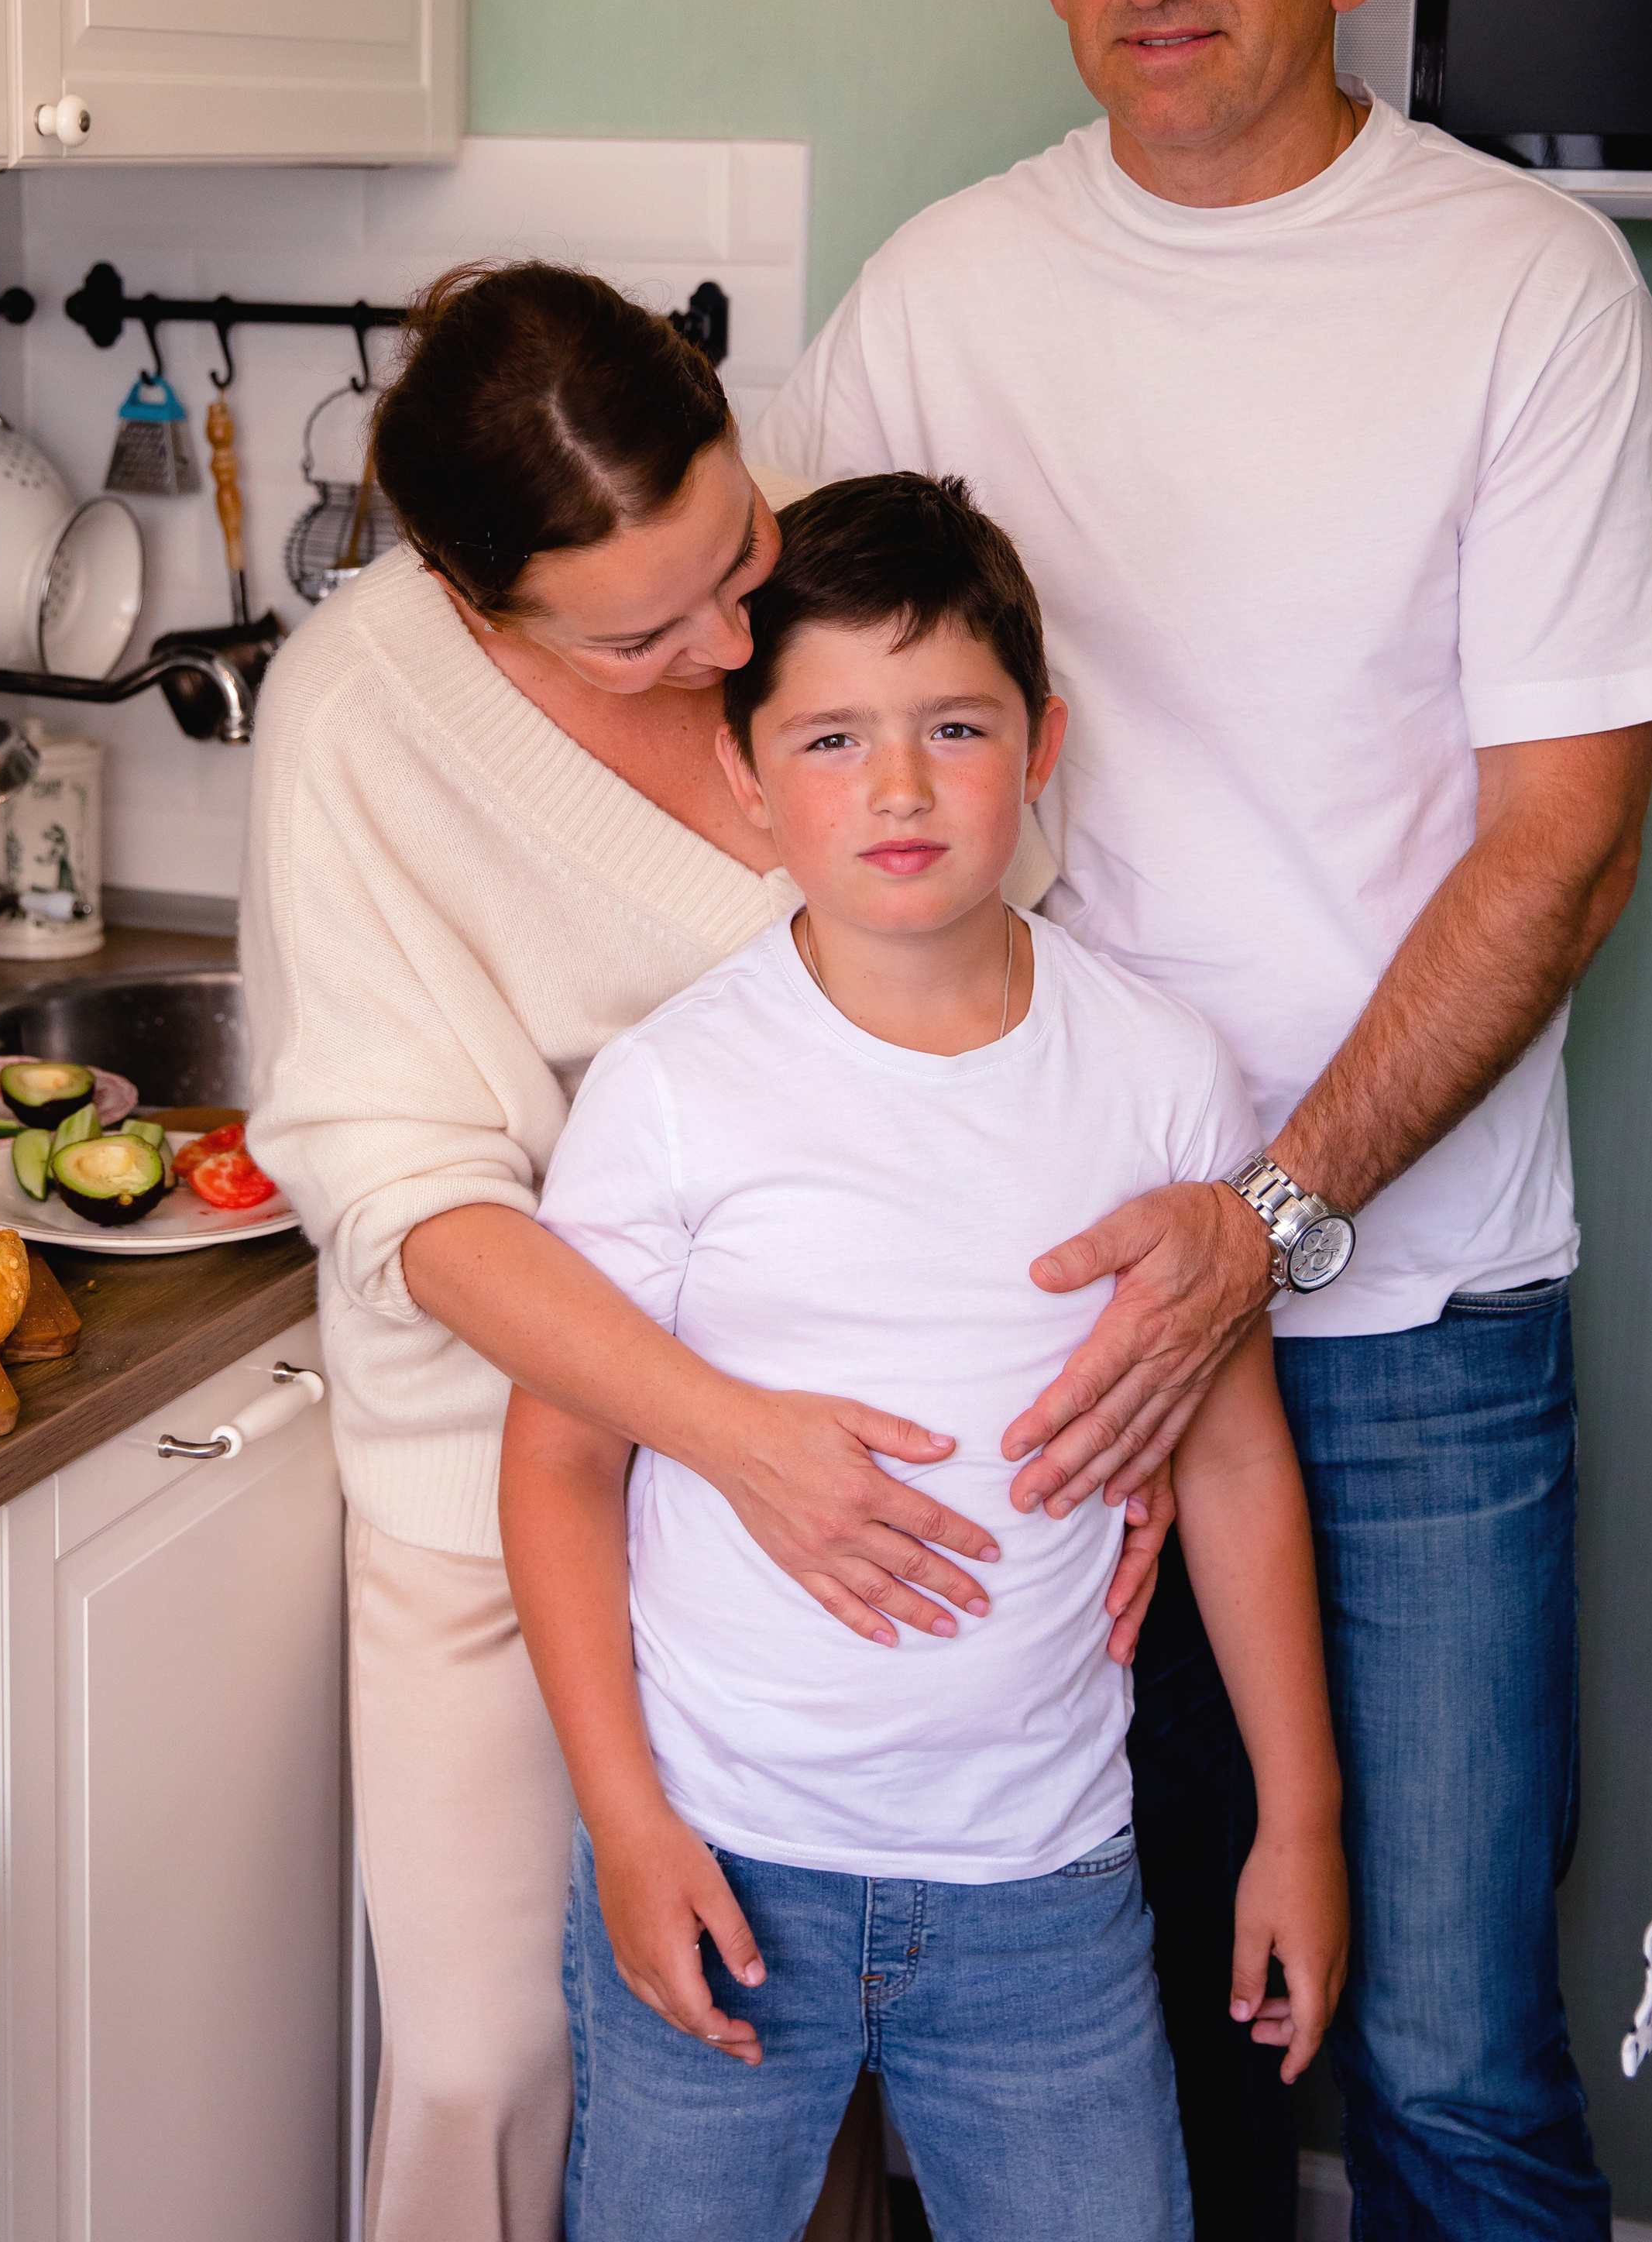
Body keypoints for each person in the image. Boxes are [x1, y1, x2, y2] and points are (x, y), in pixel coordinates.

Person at [752, 0, 1652, 2239]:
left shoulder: (1522, 286)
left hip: (1406, 1324)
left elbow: (1565, 843)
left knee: (1442, 2053)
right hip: (1044, 1324)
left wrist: (1269, 1218)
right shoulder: (946, 299)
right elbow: (771, 716)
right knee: (1118, 2026)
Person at [239, 263, 1158, 2242]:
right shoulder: (357, 721)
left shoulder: (829, 554)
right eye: (644, 634)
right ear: (478, 604)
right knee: (493, 2054)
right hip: (523, 1475)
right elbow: (407, 1193)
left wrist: (1109, 1411)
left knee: (797, 2043)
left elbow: (1001, 963)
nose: (730, 640)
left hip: (885, 1486)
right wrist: (727, 1437)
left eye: (734, 556)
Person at [503, 473, 1348, 2242]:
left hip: (1045, 1892)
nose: (897, 787)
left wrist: (1301, 1816)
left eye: (953, 726)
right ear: (745, 777)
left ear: (1041, 744)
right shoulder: (671, 1091)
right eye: (830, 739)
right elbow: (561, 1463)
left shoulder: (1159, 1074)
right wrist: (626, 1826)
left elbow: (1230, 1456)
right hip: (722, 1858)